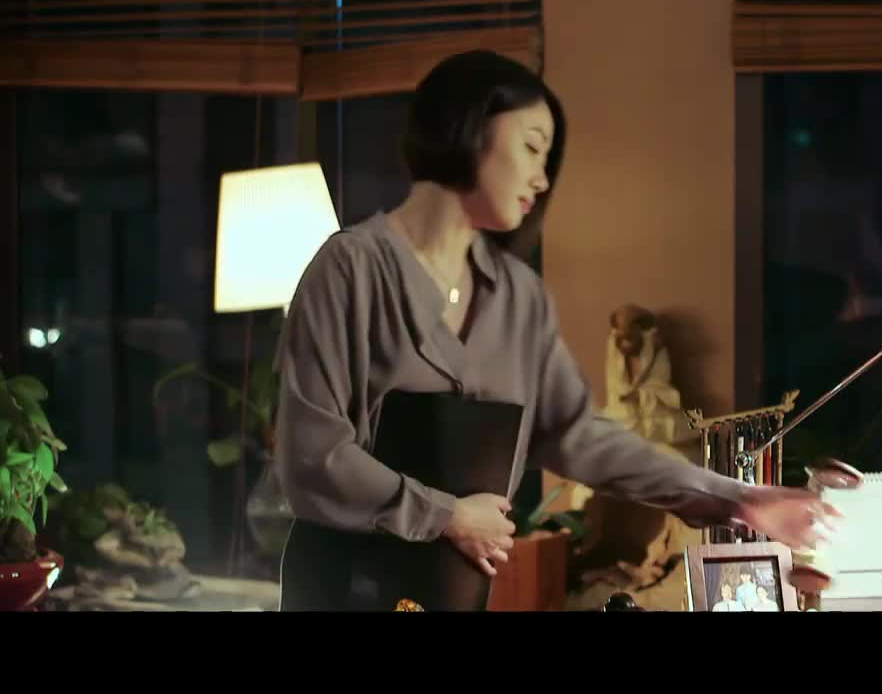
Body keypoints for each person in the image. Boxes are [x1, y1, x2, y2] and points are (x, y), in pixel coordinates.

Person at [271, 49, 839, 611]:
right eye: (531, 146)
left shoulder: (517, 298)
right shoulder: (350, 269)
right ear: (467, 130)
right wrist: (448, 516)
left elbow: (581, 438)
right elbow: (312, 458)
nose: (542, 179)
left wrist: (739, 499)